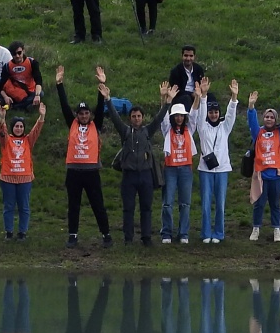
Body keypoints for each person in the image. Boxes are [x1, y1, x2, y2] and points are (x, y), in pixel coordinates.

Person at [54, 65, 112, 247]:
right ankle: (72, 235)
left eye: (87, 113)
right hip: (74, 171)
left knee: (98, 204)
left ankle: (106, 235)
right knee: (74, 205)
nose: (84, 116)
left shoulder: (97, 124)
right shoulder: (72, 123)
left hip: (92, 171)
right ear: (77, 115)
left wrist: (101, 85)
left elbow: (100, 108)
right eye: (81, 113)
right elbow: (64, 105)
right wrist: (59, 84)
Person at [106, 81, 169, 245]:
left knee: (146, 208)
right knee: (128, 208)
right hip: (129, 176)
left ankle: (146, 237)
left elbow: (159, 118)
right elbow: (114, 117)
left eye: (139, 116)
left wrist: (167, 102)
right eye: (133, 116)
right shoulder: (125, 131)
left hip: (146, 175)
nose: (136, 119)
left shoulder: (148, 131)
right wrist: (107, 100)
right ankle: (128, 238)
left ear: (142, 118)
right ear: (130, 118)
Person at [190, 78, 240, 245]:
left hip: (222, 170)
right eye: (211, 112)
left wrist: (234, 98)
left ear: (219, 113)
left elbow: (231, 115)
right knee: (205, 204)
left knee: (220, 203)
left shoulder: (224, 127)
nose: (213, 114)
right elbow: (200, 114)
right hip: (205, 169)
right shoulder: (202, 127)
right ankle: (206, 232)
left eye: (216, 112)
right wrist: (203, 95)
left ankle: (218, 233)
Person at [0, 96, 47, 240]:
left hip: (25, 178)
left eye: (21, 126)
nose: (19, 128)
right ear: (12, 127)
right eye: (16, 126)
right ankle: (9, 232)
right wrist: (2, 119)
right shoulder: (7, 141)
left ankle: (22, 232)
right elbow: (2, 133)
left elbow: (36, 131)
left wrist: (41, 116)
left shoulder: (28, 140)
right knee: (9, 206)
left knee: (24, 207)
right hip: (8, 178)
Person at [247, 91, 280, 242]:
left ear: (275, 120)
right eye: (266, 116)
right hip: (261, 174)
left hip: (276, 175)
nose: (269, 119)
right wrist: (251, 106)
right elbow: (251, 121)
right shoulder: (258, 132)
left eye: (271, 117)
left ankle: (276, 230)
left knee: (275, 204)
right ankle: (256, 229)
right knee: (259, 204)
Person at [158, 95, 197, 245]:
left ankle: (183, 233)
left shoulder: (189, 129)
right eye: (176, 116)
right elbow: (163, 116)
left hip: (186, 169)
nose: (179, 118)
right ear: (173, 117)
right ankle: (166, 232)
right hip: (170, 169)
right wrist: (164, 99)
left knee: (185, 203)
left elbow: (194, 113)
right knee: (167, 202)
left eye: (181, 115)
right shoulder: (167, 129)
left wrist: (199, 97)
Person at [0, 41, 43, 109]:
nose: (17, 56)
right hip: (14, 92)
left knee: (40, 94)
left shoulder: (32, 62)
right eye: (14, 54)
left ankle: (16, 107)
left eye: (19, 53)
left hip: (31, 90)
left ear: (23, 51)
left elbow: (38, 80)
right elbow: (1, 86)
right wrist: (6, 97)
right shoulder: (7, 66)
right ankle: (26, 105)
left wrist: (37, 95)